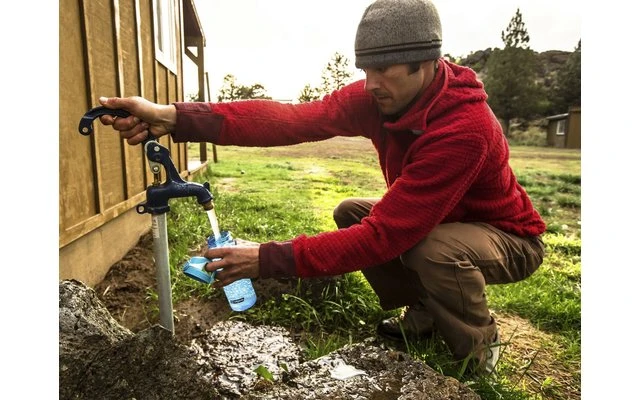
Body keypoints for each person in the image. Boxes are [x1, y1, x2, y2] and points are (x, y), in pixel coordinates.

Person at [98, 0, 545, 376]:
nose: (370, 84)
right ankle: (424, 311)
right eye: (365, 69)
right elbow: (289, 120)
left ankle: (478, 354)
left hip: (506, 236)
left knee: (431, 250)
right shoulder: (379, 97)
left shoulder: (464, 127)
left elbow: (384, 237)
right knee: (353, 211)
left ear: (427, 62)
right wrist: (174, 116)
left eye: (383, 69)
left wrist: (266, 258)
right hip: (441, 220)